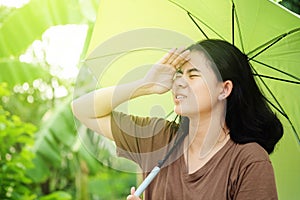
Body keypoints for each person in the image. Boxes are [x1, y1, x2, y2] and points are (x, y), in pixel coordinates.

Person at [72, 39, 283, 200]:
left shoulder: (249, 160)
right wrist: (145, 85)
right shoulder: (159, 138)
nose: (179, 82)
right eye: (179, 74)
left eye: (193, 75)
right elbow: (82, 109)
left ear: (224, 89)